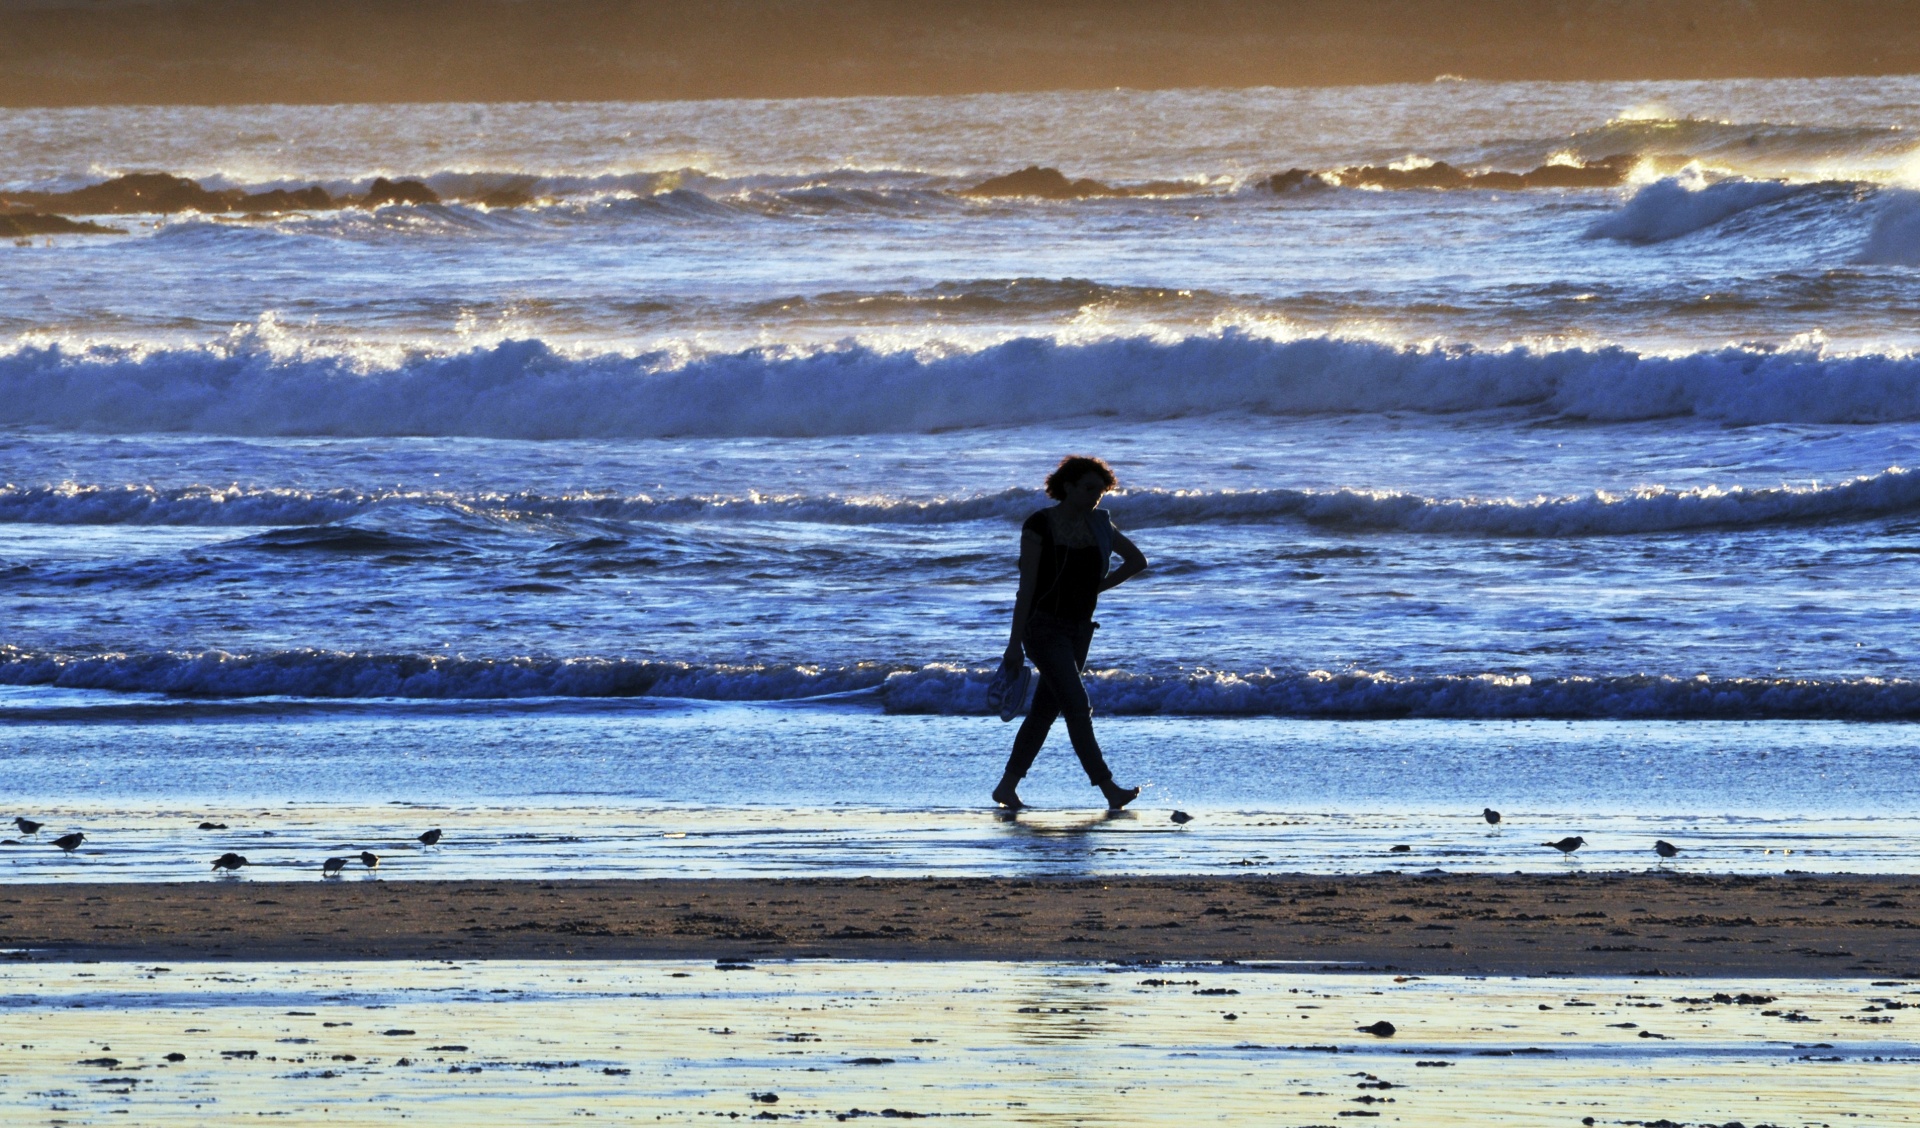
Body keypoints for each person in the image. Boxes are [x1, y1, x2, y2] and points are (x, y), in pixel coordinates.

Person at [993, 455, 1149, 811]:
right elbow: (1026, 588)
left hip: (1080, 632)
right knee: (1078, 706)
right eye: (1089, 489)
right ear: (1067, 487)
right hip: (1043, 628)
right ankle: (1110, 789)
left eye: (1102, 491)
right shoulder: (1040, 525)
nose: (1097, 497)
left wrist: (1095, 589)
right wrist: (1013, 644)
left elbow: (1138, 561)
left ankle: (1006, 787)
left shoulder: (1099, 525)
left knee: (1045, 712)